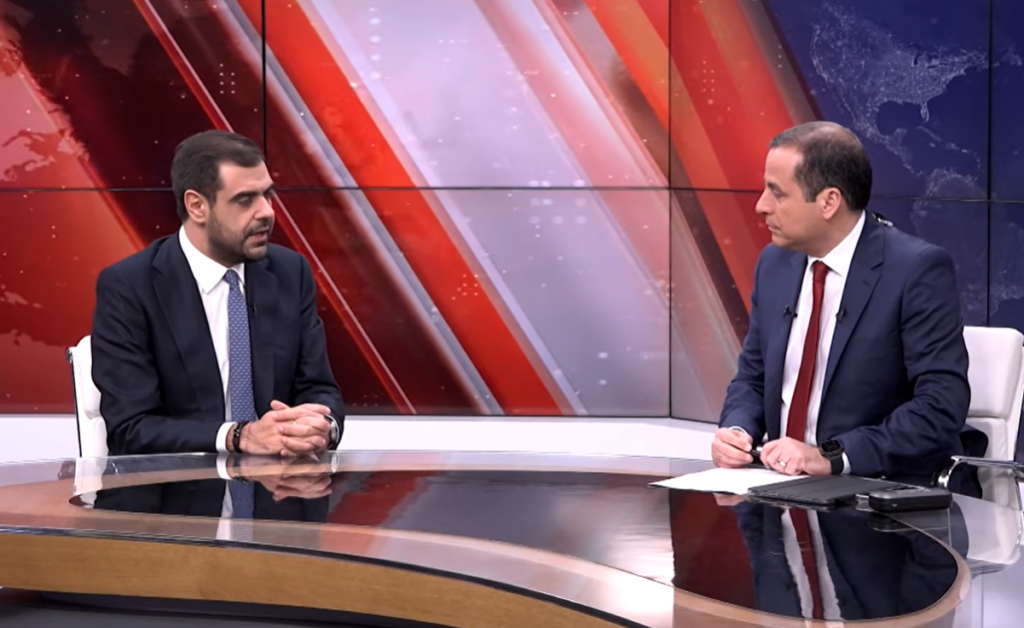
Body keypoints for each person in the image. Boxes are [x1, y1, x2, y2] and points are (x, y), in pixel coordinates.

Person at [712, 121, 973, 484]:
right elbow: (753, 379)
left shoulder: (915, 270)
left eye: (777, 193)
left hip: (878, 492)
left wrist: (830, 457)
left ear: (829, 202)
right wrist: (737, 431)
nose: (761, 206)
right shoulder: (774, 264)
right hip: (779, 486)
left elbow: (940, 407)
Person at [91, 130, 344, 457]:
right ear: (197, 206)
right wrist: (238, 436)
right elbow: (130, 428)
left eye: (267, 195)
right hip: (180, 485)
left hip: (279, 482)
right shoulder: (131, 287)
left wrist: (322, 426)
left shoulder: (289, 272)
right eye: (245, 200)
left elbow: (318, 388)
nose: (266, 212)